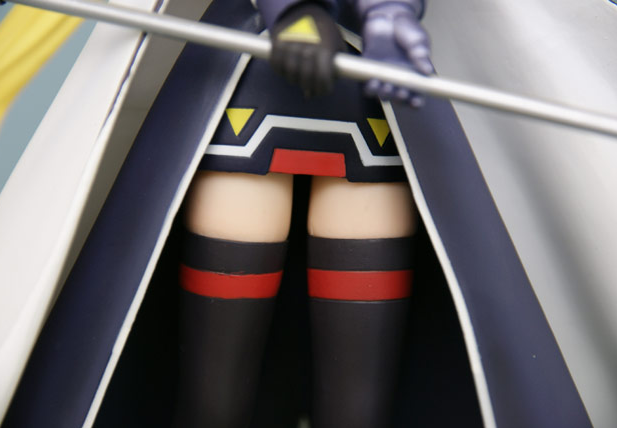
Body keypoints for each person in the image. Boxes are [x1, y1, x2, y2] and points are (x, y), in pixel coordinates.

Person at [174, 0, 432, 426]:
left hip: (366, 87)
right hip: (254, 70)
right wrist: (290, 8)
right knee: (213, 398)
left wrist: (387, 11)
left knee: (359, 408)